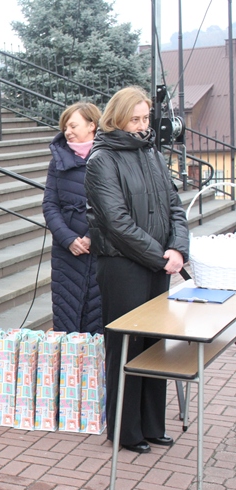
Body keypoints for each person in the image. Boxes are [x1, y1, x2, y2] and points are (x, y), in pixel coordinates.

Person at [85, 86, 189, 454]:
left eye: (146, 118)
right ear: (117, 119)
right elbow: (116, 223)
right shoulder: (102, 160)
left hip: (158, 262)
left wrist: (178, 248)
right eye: (135, 119)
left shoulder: (152, 154)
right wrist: (162, 257)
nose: (142, 125)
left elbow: (175, 206)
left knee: (154, 345)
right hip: (122, 266)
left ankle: (152, 424)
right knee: (127, 347)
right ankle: (125, 430)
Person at [42, 102, 103, 334]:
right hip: (66, 253)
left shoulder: (107, 157)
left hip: (99, 248)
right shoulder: (58, 161)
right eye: (65, 127)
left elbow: (113, 206)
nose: (67, 131)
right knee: (66, 317)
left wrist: (91, 236)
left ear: (91, 125)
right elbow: (50, 204)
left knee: (97, 319)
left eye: (73, 126)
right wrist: (67, 239)